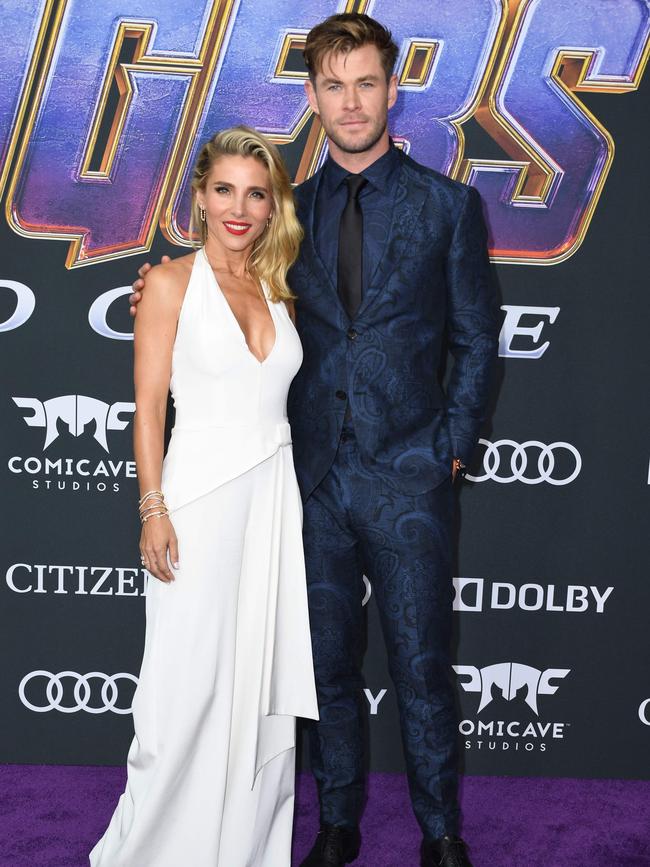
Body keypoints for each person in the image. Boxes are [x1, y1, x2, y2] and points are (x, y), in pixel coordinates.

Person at [131, 14, 498, 867]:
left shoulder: (448, 206)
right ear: (313, 97)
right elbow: (213, 281)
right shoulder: (285, 212)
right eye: (333, 85)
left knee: (420, 662)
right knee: (321, 666)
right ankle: (338, 823)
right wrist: (158, 279)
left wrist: (448, 442)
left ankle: (442, 833)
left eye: (366, 82)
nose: (351, 101)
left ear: (391, 88)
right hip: (309, 481)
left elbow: (478, 338)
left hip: (410, 474)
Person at [90, 126, 318, 867]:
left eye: (256, 192)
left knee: (261, 699)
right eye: (224, 189)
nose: (239, 207)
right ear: (200, 196)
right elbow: (149, 406)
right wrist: (151, 508)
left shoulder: (280, 285)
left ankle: (246, 851)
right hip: (196, 501)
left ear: (272, 201)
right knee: (181, 693)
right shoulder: (166, 284)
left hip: (271, 507)